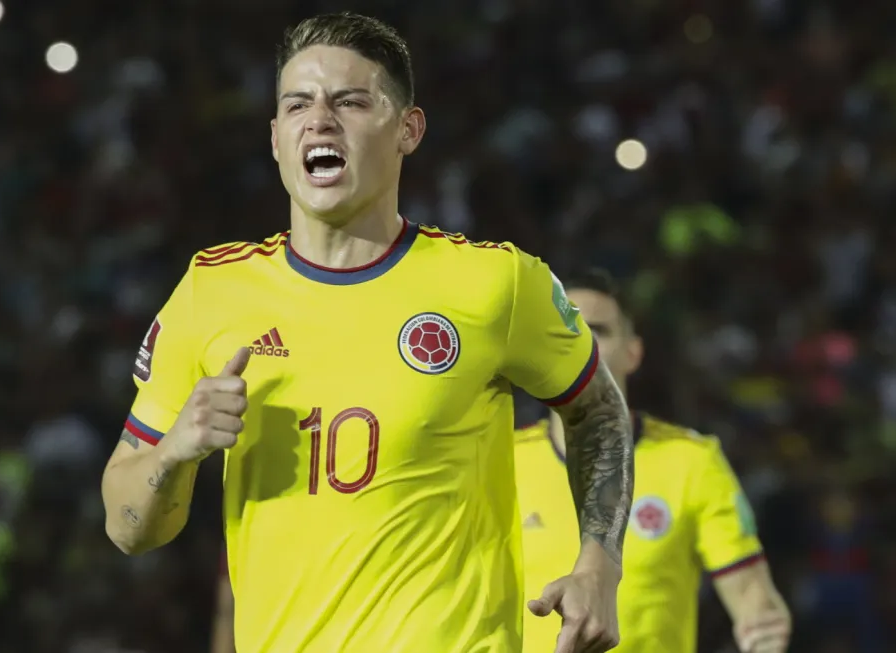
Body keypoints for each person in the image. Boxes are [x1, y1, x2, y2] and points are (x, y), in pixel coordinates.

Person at [99, 12, 635, 653]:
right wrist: (175, 451)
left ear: (408, 129)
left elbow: (598, 410)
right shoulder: (211, 292)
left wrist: (599, 565)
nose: (319, 119)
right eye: (297, 104)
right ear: (276, 138)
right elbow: (129, 528)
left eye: (350, 101)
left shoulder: (496, 283)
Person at [516, 269, 792, 653]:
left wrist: (762, 628)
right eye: (564, 325)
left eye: (597, 328)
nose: (579, 339)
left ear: (633, 353)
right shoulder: (502, 461)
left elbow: (750, 595)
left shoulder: (691, 461)